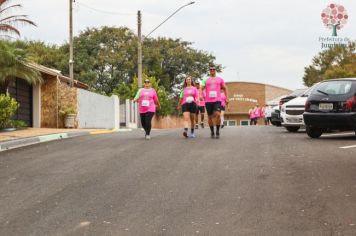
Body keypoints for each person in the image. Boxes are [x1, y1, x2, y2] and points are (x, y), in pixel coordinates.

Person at [200, 65, 228, 139]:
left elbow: (225, 88)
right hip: (208, 101)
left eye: (213, 69)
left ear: (215, 70)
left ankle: (217, 131)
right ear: (209, 71)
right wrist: (200, 95)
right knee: (210, 117)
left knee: (218, 114)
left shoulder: (220, 79)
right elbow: (201, 88)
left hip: (217, 100)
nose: (212, 70)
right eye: (211, 69)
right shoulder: (205, 80)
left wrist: (227, 98)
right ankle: (212, 131)